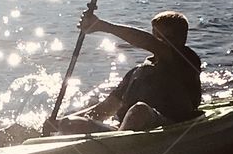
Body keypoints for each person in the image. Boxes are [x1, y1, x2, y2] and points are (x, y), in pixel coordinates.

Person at [44, 10, 202, 134]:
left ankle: (119, 144)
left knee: (139, 111)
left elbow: (149, 43)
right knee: (69, 122)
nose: (161, 42)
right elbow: (105, 108)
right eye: (157, 36)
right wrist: (59, 123)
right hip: (124, 131)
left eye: (168, 37)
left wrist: (102, 26)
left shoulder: (186, 59)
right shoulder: (137, 72)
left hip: (171, 124)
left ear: (182, 38)